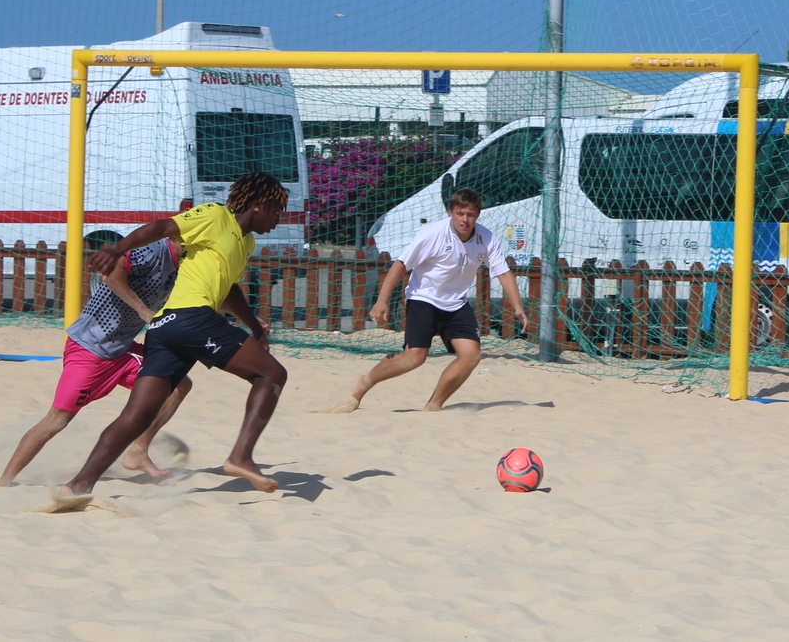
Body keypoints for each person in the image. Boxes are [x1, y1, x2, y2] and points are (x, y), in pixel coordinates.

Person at [58, 171, 289, 497]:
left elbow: (228, 290)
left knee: (136, 416)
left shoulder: (246, 242)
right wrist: (118, 248)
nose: (279, 219)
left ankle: (78, 485)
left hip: (165, 329)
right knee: (272, 373)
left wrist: (252, 324)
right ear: (258, 205)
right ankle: (241, 457)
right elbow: (162, 228)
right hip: (191, 318)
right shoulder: (214, 215)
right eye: (277, 210)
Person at [0, 237, 190, 487]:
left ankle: (139, 451)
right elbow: (110, 271)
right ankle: (4, 481)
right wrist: (141, 309)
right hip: (89, 348)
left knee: (179, 384)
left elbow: (215, 291)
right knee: (56, 421)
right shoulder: (153, 251)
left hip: (122, 350)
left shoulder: (187, 263)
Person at [334, 187, 528, 413]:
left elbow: (503, 272)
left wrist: (518, 307)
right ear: (451, 213)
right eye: (460, 213)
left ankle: (434, 405)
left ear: (478, 215)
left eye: (471, 214)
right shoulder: (433, 233)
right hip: (423, 298)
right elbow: (401, 264)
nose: (465, 219)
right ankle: (365, 381)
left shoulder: (486, 238)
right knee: (415, 358)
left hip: (456, 303)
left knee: (471, 356)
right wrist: (382, 301)